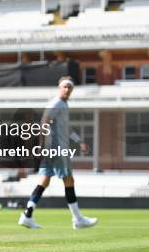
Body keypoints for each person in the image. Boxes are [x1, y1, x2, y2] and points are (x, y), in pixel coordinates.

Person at [18, 76, 98, 230]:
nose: (67, 89)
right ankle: (77, 218)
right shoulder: (57, 103)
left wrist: (79, 141)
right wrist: (42, 145)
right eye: (65, 87)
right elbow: (44, 122)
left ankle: (27, 215)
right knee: (69, 180)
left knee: (44, 181)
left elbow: (66, 128)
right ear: (59, 87)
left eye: (70, 87)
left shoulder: (63, 105)